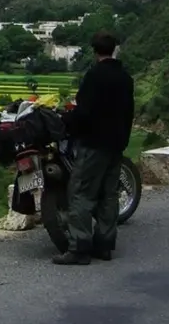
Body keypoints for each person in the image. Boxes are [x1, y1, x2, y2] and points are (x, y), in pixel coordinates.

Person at [54, 31, 135, 265]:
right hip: (116, 144)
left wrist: (67, 120)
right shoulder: (125, 78)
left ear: (94, 51)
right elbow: (129, 113)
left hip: (94, 144)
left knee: (80, 193)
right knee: (108, 195)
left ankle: (79, 248)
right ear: (114, 49)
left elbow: (83, 112)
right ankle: (105, 246)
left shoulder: (94, 76)